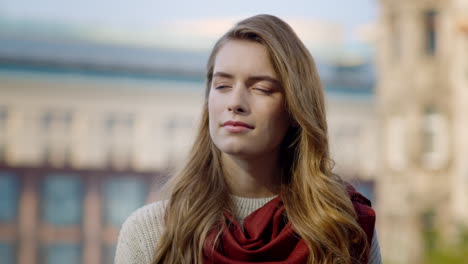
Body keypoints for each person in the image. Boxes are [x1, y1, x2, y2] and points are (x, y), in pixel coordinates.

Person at [115, 14, 381, 264]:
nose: (235, 103)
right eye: (222, 86)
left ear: (294, 108)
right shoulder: (151, 232)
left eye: (261, 88)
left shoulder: (343, 228)